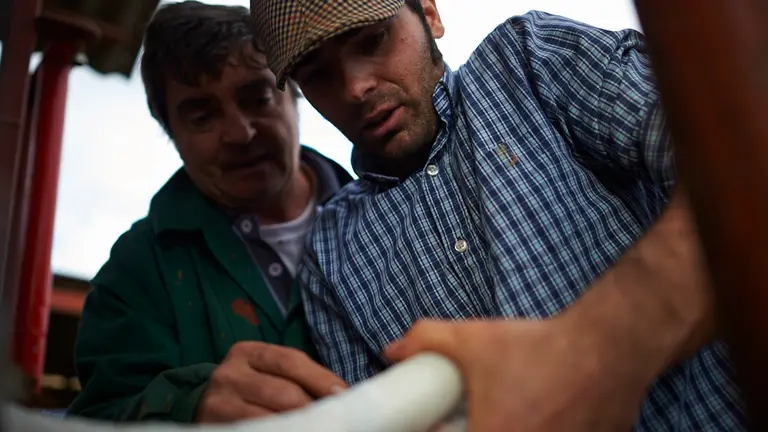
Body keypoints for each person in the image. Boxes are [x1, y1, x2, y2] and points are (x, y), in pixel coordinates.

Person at [249, 0, 744, 430]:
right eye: (318, 75)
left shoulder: (531, 62)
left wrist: (594, 351)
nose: (355, 87)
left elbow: (739, 159)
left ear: (428, 13)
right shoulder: (330, 256)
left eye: (372, 40)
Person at [67, 1, 351, 424]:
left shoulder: (391, 213)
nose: (240, 133)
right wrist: (189, 407)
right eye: (202, 116)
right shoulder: (135, 272)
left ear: (295, 93)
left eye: (257, 98)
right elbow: (96, 418)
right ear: (171, 133)